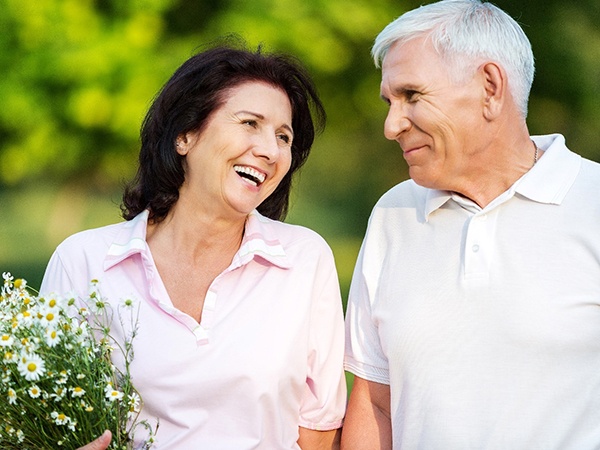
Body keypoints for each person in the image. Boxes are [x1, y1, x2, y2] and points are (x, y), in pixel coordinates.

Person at [41, 42, 346, 449]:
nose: (270, 150)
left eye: (284, 136)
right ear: (184, 135)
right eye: (250, 123)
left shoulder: (306, 260)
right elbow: (45, 418)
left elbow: (320, 427)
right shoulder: (83, 262)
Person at [342, 0, 600, 448]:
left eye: (412, 96)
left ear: (489, 87)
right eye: (389, 101)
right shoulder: (393, 214)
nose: (391, 124)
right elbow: (375, 402)